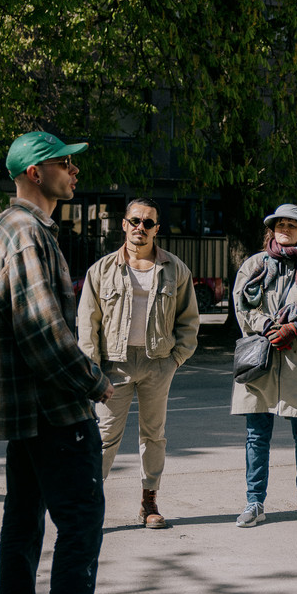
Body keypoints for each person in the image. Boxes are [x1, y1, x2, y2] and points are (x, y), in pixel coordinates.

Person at [0, 131, 132, 594]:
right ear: (35, 173)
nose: (74, 172)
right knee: (80, 523)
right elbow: (43, 330)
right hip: (53, 407)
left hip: (25, 412)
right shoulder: (28, 233)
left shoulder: (7, 228)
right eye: (64, 164)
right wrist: (94, 383)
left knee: (23, 520)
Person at [78, 199, 201, 529]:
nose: (141, 228)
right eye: (135, 221)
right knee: (104, 437)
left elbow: (189, 320)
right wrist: (92, 369)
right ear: (124, 224)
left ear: (157, 229)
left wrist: (175, 359)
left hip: (157, 363)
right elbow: (87, 323)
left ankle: (149, 502)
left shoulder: (175, 269)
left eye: (148, 223)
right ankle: (89, 504)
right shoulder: (101, 270)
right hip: (112, 367)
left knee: (153, 436)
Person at [231, 203, 297, 527]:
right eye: (281, 224)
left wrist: (295, 328)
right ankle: (254, 503)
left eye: (293, 225)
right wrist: (266, 325)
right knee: (256, 436)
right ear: (271, 230)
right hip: (260, 361)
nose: (286, 229)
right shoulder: (253, 265)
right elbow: (241, 305)